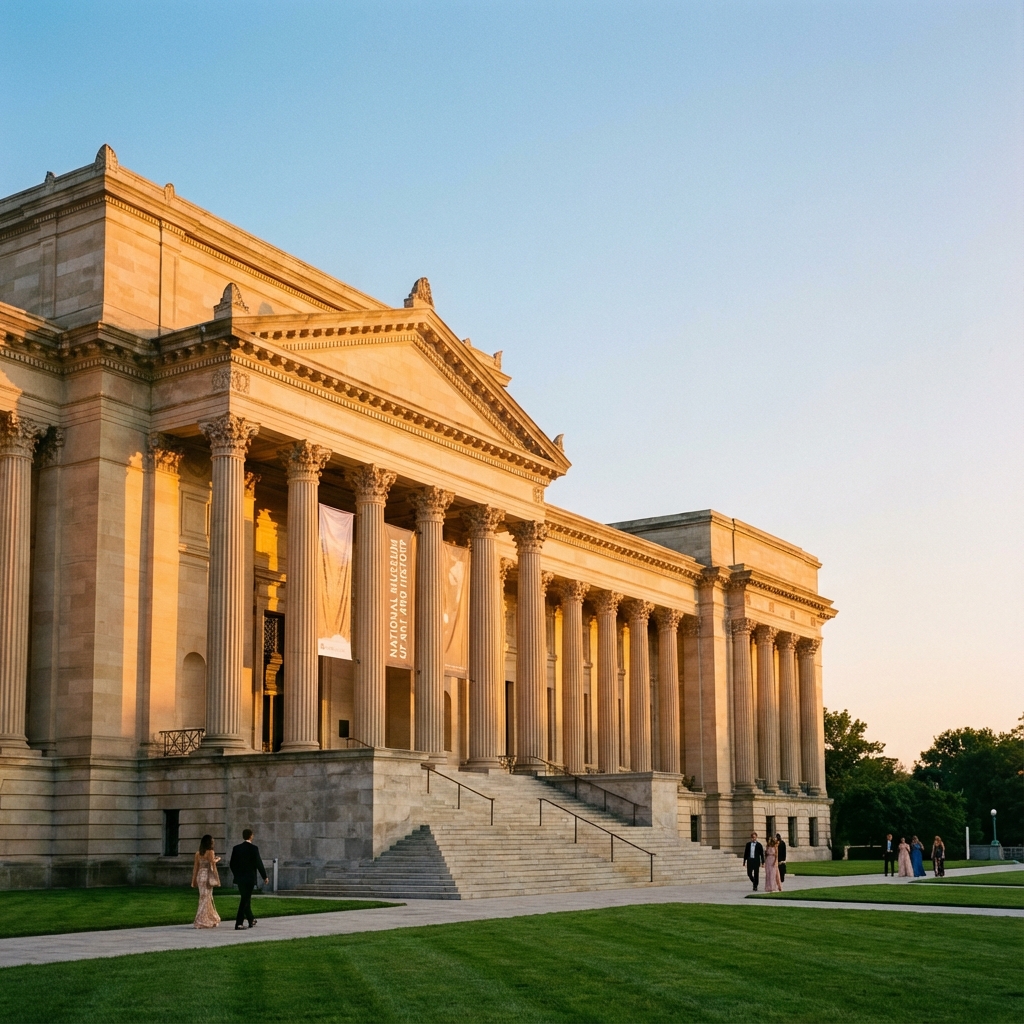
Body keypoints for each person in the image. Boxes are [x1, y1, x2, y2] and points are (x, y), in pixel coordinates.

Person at [229, 828, 269, 930]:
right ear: (251, 836)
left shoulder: (236, 848)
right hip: (250, 878)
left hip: (240, 879)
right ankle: (239, 923)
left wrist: (237, 874)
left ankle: (251, 919)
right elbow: (259, 863)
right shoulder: (254, 849)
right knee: (245, 900)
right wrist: (264, 876)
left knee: (246, 898)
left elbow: (232, 864)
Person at [190, 834, 222, 929]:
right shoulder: (210, 852)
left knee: (203, 897)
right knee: (206, 898)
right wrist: (218, 859)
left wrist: (194, 880)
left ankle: (208, 918)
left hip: (200, 875)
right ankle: (200, 919)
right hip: (207, 876)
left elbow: (195, 868)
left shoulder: (198, 853)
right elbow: (212, 861)